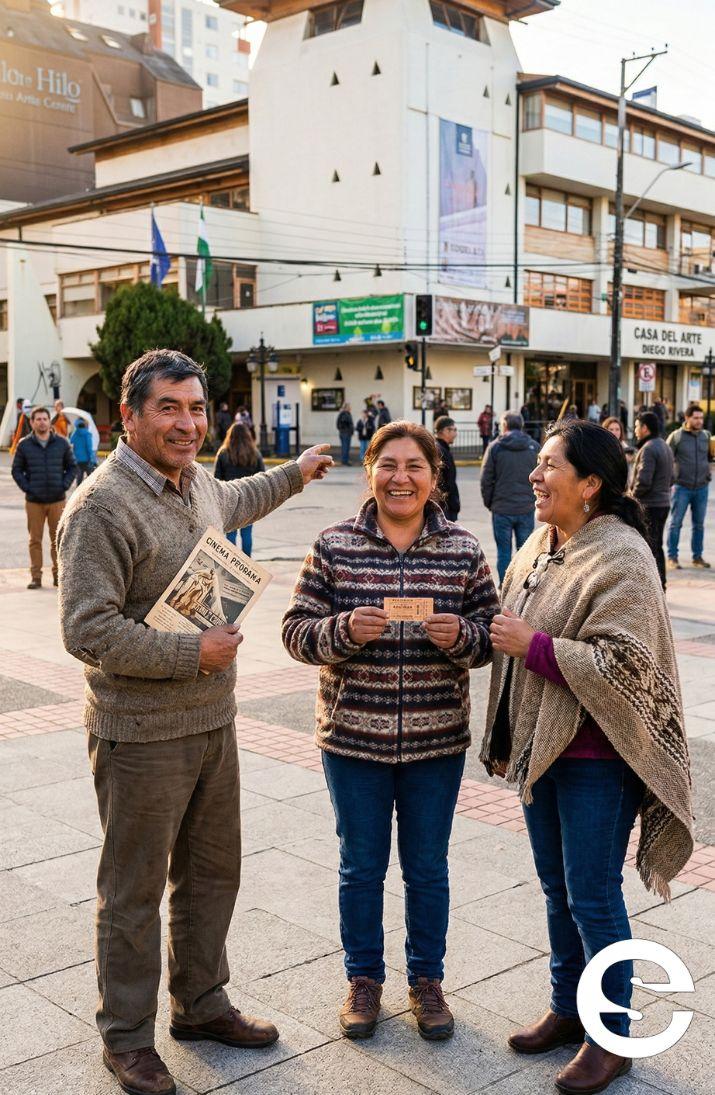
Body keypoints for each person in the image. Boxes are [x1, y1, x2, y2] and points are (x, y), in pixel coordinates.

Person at [57, 349, 332, 1095]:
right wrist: (190, 652)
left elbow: (236, 498)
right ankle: (126, 1038)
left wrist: (296, 471)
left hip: (212, 722)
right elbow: (86, 629)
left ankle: (200, 1003)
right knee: (134, 891)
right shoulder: (100, 506)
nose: (188, 423)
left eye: (197, 407)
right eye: (169, 408)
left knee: (212, 874)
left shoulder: (195, 481)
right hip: (140, 733)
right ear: (130, 416)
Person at [480, 420, 692, 1095]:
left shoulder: (622, 554)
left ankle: (612, 1035)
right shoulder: (544, 544)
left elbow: (625, 663)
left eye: (548, 466)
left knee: (592, 895)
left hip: (598, 756)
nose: (534, 476)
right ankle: (567, 1008)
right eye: (535, 464)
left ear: (590, 483)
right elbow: (509, 623)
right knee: (556, 888)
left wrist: (533, 645)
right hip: (545, 748)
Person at [282, 421, 498, 1043]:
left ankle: (427, 981)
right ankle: (364, 981)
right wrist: (343, 632)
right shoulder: (333, 545)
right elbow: (296, 631)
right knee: (361, 868)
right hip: (353, 740)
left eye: (415, 467)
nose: (401, 478)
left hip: (435, 742)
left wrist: (466, 639)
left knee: (427, 868)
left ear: (435, 477)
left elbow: (490, 636)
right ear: (371, 470)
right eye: (389, 465)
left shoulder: (462, 549)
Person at [11, 405, 76, 589]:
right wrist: (28, 488)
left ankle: (58, 576)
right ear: (32, 422)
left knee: (59, 540)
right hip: (34, 502)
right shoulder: (24, 445)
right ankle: (36, 577)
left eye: (44, 419)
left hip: (57, 500)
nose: (41, 422)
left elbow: (72, 466)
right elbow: (16, 470)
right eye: (38, 419)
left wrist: (63, 485)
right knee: (35, 540)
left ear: (49, 421)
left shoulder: (62, 443)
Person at [480, 412, 538, 585]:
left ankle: (505, 587)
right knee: (525, 551)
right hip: (526, 508)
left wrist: (490, 502)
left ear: (504, 426)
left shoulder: (495, 447)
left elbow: (486, 479)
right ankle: (522, 587)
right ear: (521, 425)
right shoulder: (534, 447)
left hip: (501, 508)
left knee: (503, 552)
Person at [630, 411, 674, 590]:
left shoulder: (648, 448)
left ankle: (653, 586)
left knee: (648, 546)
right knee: (657, 545)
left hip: (650, 505)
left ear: (645, 428)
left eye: (636, 426)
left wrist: (632, 496)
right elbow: (672, 478)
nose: (635, 430)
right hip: (663, 503)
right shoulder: (664, 446)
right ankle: (660, 583)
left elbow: (644, 481)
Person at [666, 403, 712, 570]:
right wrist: (671, 480)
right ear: (687, 418)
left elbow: (710, 458)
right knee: (676, 523)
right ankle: (672, 557)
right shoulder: (676, 437)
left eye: (701, 418)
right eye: (696, 418)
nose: (700, 421)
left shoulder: (706, 436)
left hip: (702, 487)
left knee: (699, 525)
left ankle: (697, 557)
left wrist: (707, 474)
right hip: (681, 487)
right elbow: (666, 457)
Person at [214, 422, 265, 556]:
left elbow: (216, 479)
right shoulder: (255, 454)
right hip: (250, 500)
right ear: (248, 436)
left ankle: (232, 565)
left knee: (230, 534)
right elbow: (263, 477)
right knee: (247, 533)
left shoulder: (223, 453)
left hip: (229, 498)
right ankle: (247, 562)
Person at [434, 415, 460, 521]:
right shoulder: (440, 451)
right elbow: (445, 482)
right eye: (454, 430)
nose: (456, 434)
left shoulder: (442, 449)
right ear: (445, 430)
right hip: (444, 507)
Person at [71, 417, 96, 484]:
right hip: (87, 460)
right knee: (90, 479)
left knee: (79, 478)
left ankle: (78, 492)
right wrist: (92, 459)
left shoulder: (75, 434)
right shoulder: (87, 434)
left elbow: (71, 441)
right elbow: (89, 448)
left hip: (78, 460)